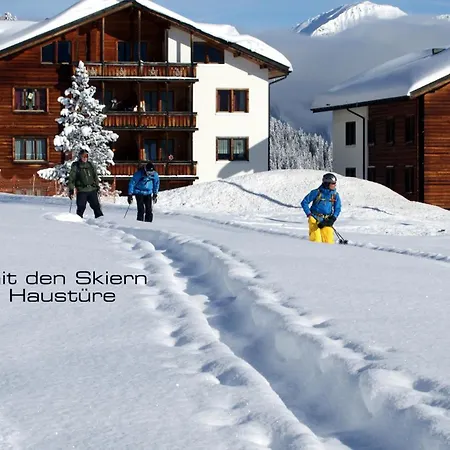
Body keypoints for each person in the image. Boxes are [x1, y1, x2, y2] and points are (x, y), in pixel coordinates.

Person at [301, 173, 341, 244]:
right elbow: (304, 202)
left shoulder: (335, 195)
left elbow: (337, 208)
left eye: (335, 183)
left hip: (326, 220)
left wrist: (333, 218)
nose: (335, 185)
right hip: (314, 219)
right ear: (327, 184)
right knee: (316, 241)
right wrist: (309, 214)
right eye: (333, 183)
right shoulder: (316, 192)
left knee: (329, 242)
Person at [68, 149, 103, 219]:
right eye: (83, 156)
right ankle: (78, 221)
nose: (85, 158)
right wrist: (71, 189)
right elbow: (71, 178)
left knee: (96, 207)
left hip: (92, 189)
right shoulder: (76, 166)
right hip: (82, 190)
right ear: (80, 157)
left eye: (86, 156)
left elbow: (95, 176)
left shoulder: (90, 165)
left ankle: (100, 220)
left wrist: (97, 186)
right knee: (81, 207)